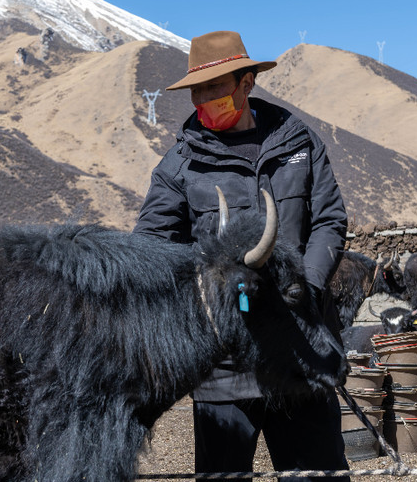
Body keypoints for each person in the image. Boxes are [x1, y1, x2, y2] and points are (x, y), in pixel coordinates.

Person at [133, 30, 349, 481]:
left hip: (303, 350)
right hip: (223, 365)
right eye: (198, 92)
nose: (204, 101)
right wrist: (207, 294)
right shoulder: (180, 164)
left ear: (246, 83)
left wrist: (303, 289)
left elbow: (329, 220)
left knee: (318, 474)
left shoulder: (299, 144)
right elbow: (150, 247)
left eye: (215, 90)